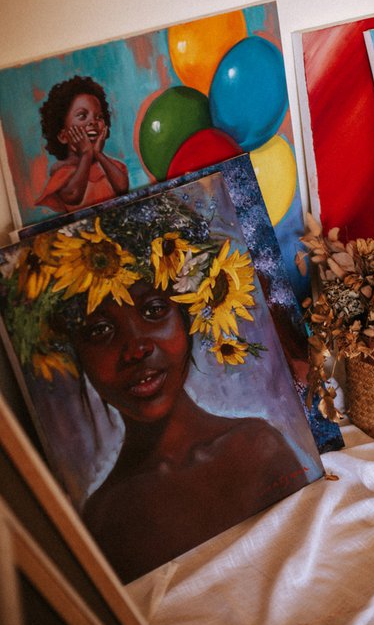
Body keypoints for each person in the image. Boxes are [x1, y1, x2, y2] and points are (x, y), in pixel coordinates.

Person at [2, 192, 315, 583]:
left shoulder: (256, 447)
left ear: (187, 320)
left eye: (154, 311)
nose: (136, 348)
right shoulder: (104, 523)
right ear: (76, 356)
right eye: (100, 331)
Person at [35, 75, 129, 213]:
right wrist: (86, 154)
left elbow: (122, 188)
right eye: (82, 116)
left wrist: (98, 153)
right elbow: (73, 196)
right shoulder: (63, 173)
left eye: (99, 117)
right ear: (63, 136)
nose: (93, 122)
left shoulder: (110, 166)